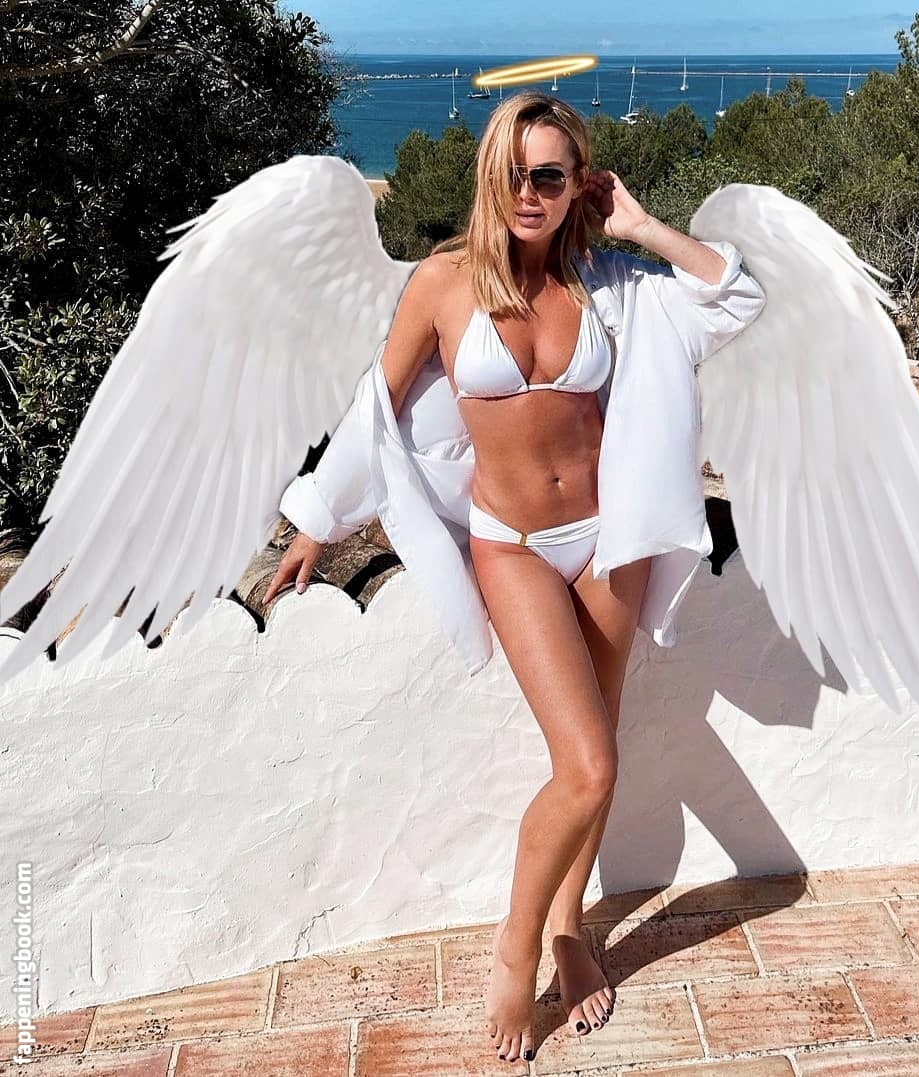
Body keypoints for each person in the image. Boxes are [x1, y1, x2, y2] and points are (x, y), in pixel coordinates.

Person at [262, 91, 767, 1064]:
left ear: (579, 183)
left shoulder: (611, 282)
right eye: (514, 172)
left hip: (608, 537)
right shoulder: (444, 282)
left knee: (599, 743)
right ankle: (517, 945)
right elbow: (377, 406)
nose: (530, 192)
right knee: (590, 763)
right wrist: (315, 520)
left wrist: (640, 226)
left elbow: (735, 297)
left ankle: (571, 929)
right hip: (514, 544)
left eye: (551, 174)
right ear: (490, 176)